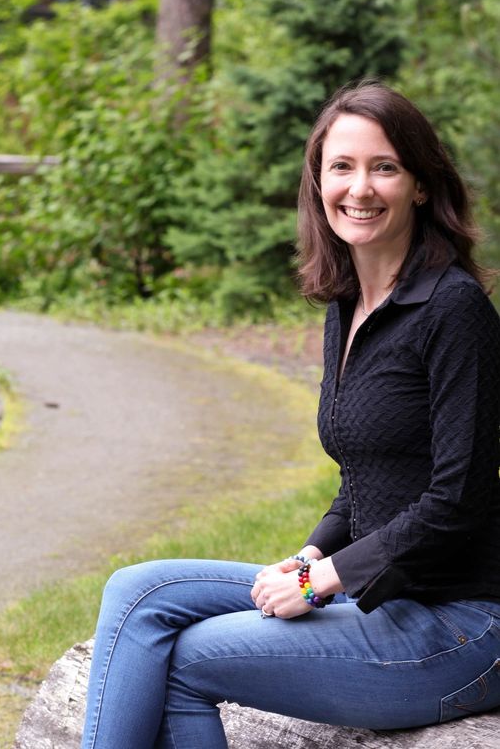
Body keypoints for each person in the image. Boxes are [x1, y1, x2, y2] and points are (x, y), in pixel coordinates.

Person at [80, 82, 500, 749]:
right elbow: (364, 480)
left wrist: (322, 579)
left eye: (383, 167)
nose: (359, 188)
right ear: (318, 182)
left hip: (458, 624)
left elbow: (458, 500)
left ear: (421, 185)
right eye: (342, 166)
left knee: (185, 660)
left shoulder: (452, 310)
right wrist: (304, 557)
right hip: (380, 592)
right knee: (137, 592)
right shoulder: (348, 307)